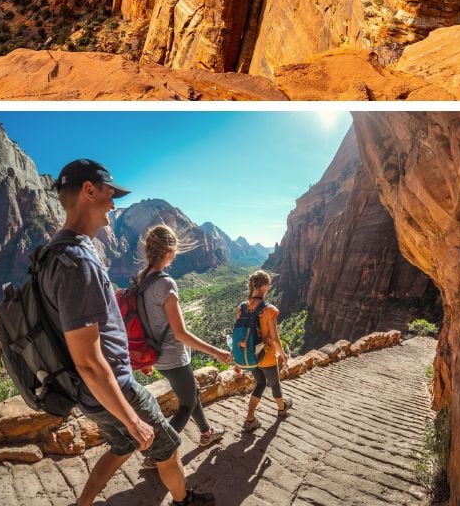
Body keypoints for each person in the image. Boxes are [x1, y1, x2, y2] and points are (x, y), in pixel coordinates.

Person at [42, 160, 212, 506]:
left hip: (89, 390)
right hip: (115, 387)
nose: (114, 204)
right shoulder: (78, 262)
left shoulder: (50, 255)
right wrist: (132, 418)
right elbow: (88, 360)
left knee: (122, 446)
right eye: (110, 194)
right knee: (167, 445)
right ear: (89, 191)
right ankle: (185, 501)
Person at [134, 225, 232, 453]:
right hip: (173, 357)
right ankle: (158, 452)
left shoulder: (143, 277)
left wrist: (147, 360)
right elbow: (180, 333)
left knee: (193, 393)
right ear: (169, 250)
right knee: (186, 404)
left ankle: (206, 433)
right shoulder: (166, 283)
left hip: (157, 354)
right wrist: (216, 352)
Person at [238, 269, 292, 431]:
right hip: (266, 356)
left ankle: (249, 419)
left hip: (250, 356)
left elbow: (241, 334)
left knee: (260, 383)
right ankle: (282, 409)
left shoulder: (241, 307)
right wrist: (283, 355)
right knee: (275, 383)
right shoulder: (270, 310)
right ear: (266, 287)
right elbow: (274, 339)